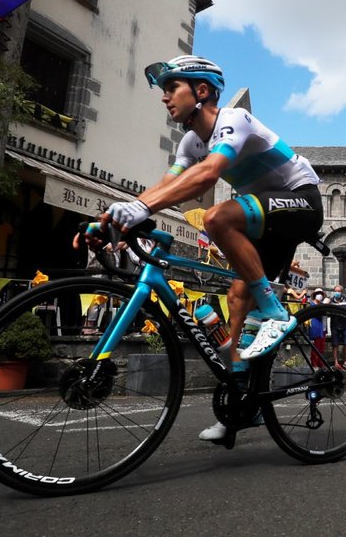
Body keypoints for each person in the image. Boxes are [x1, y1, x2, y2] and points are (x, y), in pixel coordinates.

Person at [87, 55, 323, 442]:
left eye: (171, 88)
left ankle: (277, 312)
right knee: (236, 300)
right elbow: (164, 188)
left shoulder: (233, 120)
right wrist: (110, 219)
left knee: (216, 217)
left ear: (201, 91)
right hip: (267, 218)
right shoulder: (190, 142)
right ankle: (245, 406)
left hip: (301, 201)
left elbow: (209, 174)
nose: (164, 98)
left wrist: (142, 209)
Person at [329, 284, 346, 371]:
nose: (337, 293)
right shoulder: (331, 301)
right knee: (335, 344)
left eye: (339, 291)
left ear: (342, 292)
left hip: (345, 325)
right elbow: (328, 312)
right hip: (335, 325)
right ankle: (336, 363)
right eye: (336, 291)